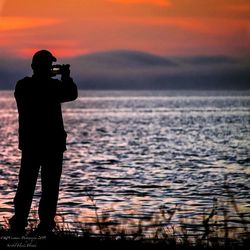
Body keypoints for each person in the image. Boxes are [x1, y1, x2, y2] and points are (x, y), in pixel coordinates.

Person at [9, 50, 78, 234]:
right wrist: (66, 77)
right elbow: (71, 94)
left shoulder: (23, 86)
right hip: (49, 145)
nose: (49, 69)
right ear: (38, 67)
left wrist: (60, 78)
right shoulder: (50, 87)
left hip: (33, 144)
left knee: (28, 185)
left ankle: (22, 224)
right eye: (47, 66)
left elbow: (70, 94)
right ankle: (43, 226)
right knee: (47, 187)